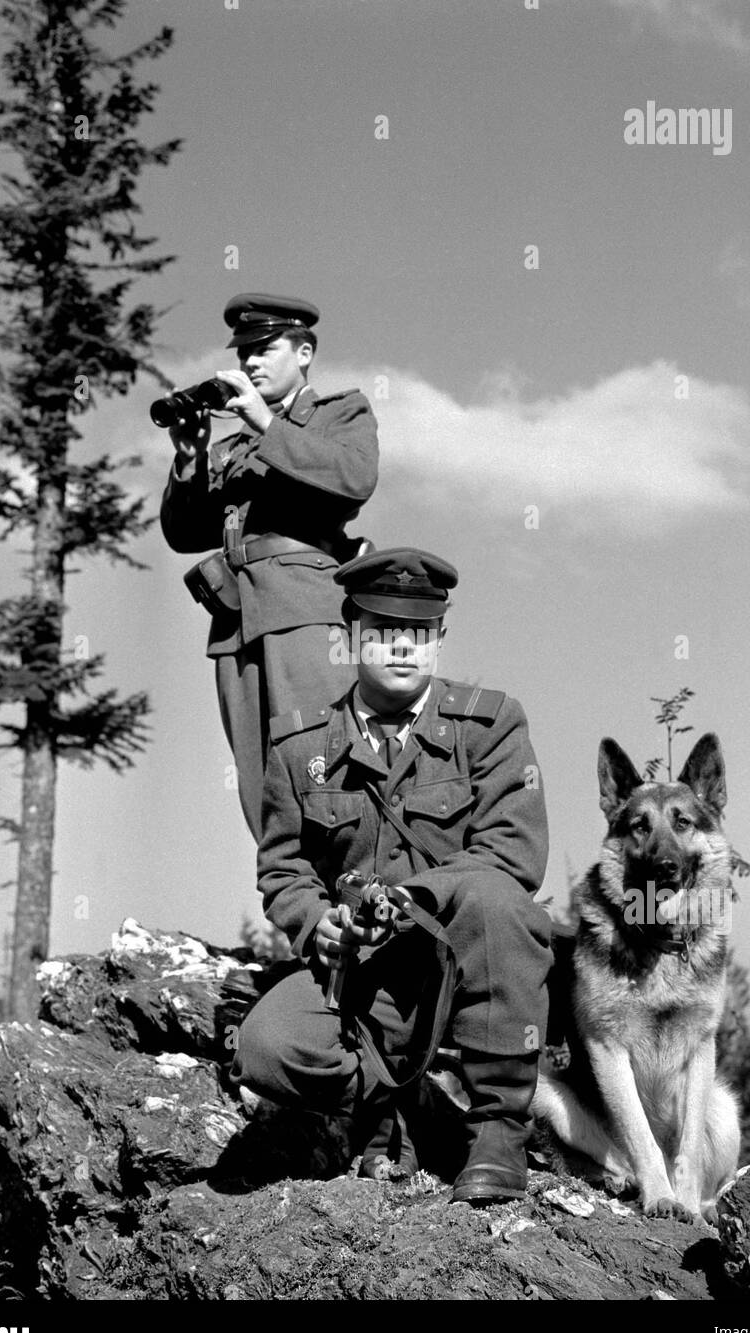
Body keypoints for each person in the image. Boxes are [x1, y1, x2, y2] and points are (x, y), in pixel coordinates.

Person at [231, 548, 553, 1203]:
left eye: (418, 632)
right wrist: (317, 923)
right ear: (349, 636)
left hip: (468, 965)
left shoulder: (489, 727)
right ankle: (396, 1103)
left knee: (495, 896)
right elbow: (283, 868)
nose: (401, 646)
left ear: (440, 638)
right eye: (381, 630)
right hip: (365, 977)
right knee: (266, 1047)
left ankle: (496, 1133)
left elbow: (514, 855)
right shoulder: (300, 748)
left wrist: (409, 900)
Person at [160, 293, 379, 837]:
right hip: (237, 627)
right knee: (260, 785)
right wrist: (189, 458)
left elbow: (354, 480)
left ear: (304, 352)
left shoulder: (337, 414)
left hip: (305, 615)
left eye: (264, 348)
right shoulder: (236, 445)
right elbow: (184, 534)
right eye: (243, 354)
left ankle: (355, 897)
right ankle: (298, 912)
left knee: (323, 764)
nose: (250, 362)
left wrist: (266, 425)